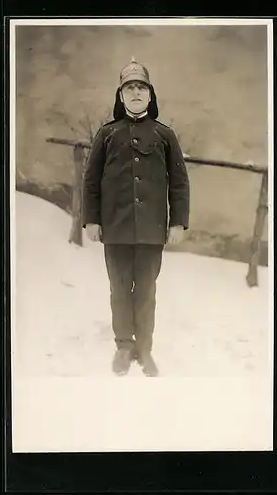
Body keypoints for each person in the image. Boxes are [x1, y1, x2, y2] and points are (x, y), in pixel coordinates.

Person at [82, 57, 190, 377]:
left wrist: (177, 222)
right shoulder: (106, 134)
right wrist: (92, 219)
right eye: (129, 88)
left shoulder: (165, 135)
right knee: (118, 288)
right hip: (115, 228)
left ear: (150, 94)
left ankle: (144, 349)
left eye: (141, 87)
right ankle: (123, 346)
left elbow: (180, 181)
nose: (136, 93)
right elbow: (91, 181)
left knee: (146, 290)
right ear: (120, 96)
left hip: (152, 229)